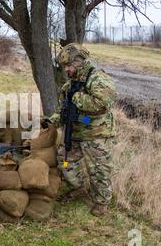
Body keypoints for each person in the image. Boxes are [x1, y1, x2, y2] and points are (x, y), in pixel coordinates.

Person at [45, 43, 116, 217]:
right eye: (65, 67)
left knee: (99, 169)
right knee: (65, 160)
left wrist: (77, 97)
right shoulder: (70, 85)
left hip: (97, 134)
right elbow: (63, 109)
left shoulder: (97, 79)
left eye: (69, 66)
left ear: (79, 62)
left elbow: (103, 104)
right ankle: (78, 187)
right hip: (75, 133)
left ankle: (101, 202)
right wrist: (51, 121)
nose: (66, 70)